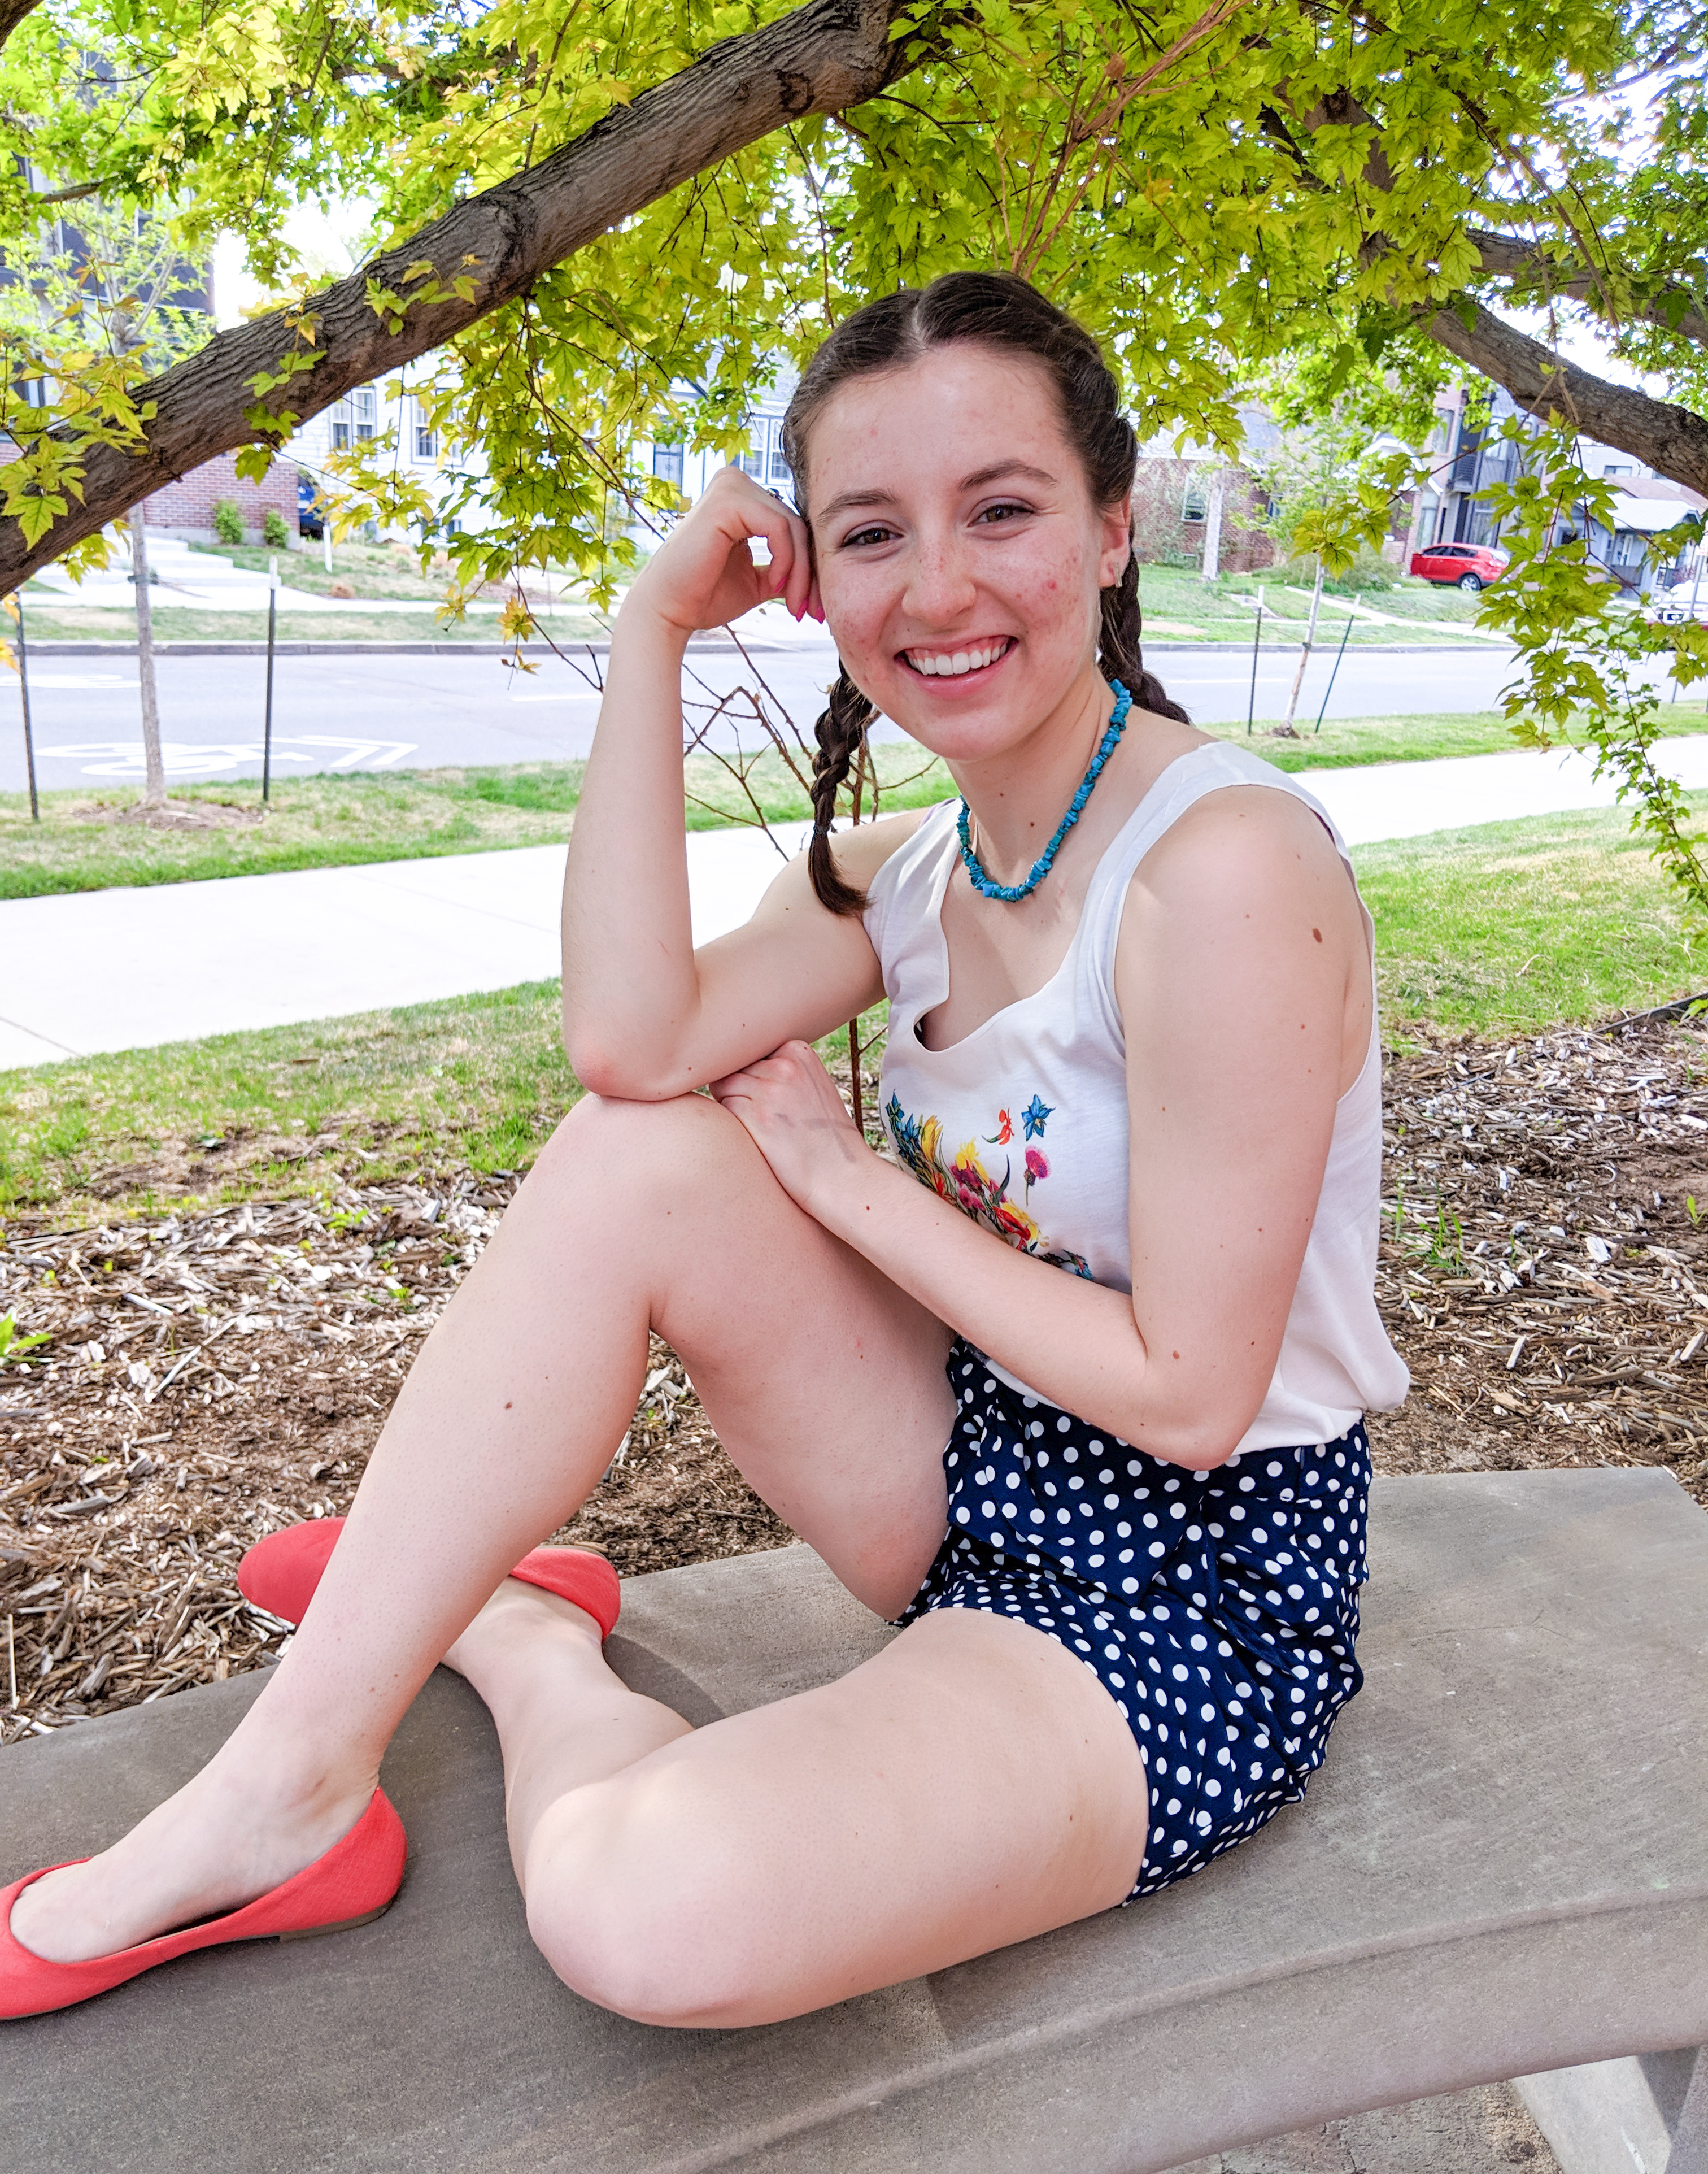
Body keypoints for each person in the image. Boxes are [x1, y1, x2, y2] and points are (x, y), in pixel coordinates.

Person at [2, 272, 1407, 2028]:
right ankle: (290, 1786)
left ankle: (524, 1641)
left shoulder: (1224, 876)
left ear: (1115, 528)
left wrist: (846, 1184)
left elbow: (1195, 1399)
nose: (939, 587)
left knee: (647, 1921)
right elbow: (633, 1041)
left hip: (1195, 1586)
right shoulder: (918, 873)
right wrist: (653, 629)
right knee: (638, 1151)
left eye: (1001, 510)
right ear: (812, 580)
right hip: (975, 1465)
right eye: (873, 533)